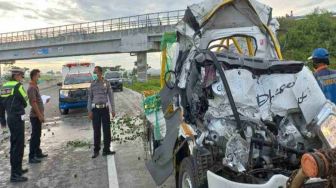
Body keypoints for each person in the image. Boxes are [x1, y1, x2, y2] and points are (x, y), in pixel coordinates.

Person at [0, 68, 29, 182]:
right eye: (21, 76)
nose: (22, 78)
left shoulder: (4, 87)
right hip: (17, 118)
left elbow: (0, 105)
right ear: (16, 75)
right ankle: (15, 175)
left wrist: (2, 119)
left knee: (14, 144)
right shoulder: (18, 86)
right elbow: (26, 101)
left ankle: (18, 169)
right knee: (18, 145)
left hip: (10, 118)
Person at [88, 66, 116, 158]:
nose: (95, 74)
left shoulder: (106, 83)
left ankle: (106, 149)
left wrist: (113, 109)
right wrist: (89, 111)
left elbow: (111, 96)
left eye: (96, 72)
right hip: (95, 110)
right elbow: (90, 98)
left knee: (106, 130)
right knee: (96, 130)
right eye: (94, 72)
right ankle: (96, 150)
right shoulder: (92, 84)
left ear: (100, 73)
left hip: (105, 109)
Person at [27, 69, 48, 164]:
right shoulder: (31, 88)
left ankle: (38, 152)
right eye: (38, 76)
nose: (39, 78)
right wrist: (39, 115)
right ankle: (32, 156)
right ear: (34, 76)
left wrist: (43, 101)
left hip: (37, 115)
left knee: (38, 135)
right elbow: (33, 103)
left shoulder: (35, 86)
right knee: (34, 136)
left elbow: (37, 101)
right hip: (35, 116)